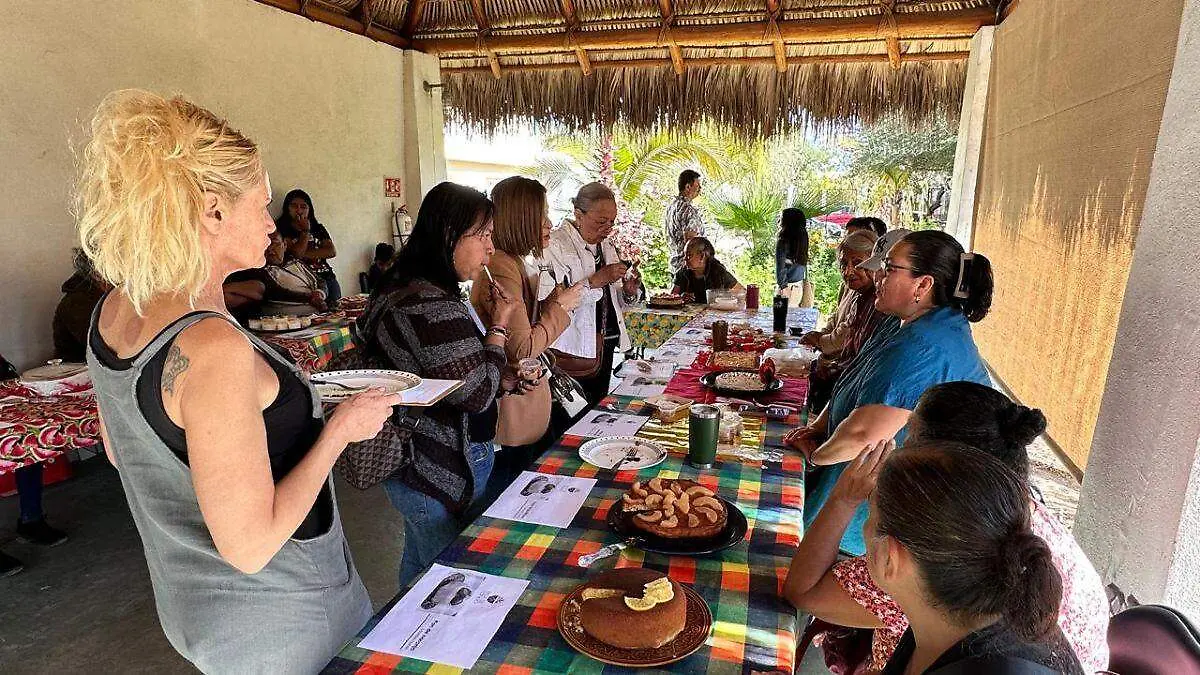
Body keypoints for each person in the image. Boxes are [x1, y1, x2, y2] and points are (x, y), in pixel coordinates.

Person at [77, 89, 398, 672]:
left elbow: (128, 451)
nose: (272, 224)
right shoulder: (210, 347)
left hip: (194, 610)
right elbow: (249, 546)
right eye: (262, 203)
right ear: (212, 210)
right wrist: (339, 431)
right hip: (283, 622)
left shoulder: (115, 308)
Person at [783, 382, 1110, 673]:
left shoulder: (930, 569)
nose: (899, 443)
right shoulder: (1007, 528)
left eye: (908, 439)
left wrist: (842, 498)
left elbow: (803, 591)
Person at [356, 181, 532, 588]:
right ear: (449, 235)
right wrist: (500, 326)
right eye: (483, 236)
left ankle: (400, 640)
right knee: (448, 580)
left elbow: (454, 374)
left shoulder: (412, 286)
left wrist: (500, 375)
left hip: (421, 466)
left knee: (420, 568)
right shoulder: (427, 303)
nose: (491, 248)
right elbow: (475, 393)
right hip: (432, 467)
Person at [786, 230, 993, 555]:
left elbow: (862, 436)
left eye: (889, 268)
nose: (877, 275)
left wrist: (812, 457)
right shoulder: (901, 321)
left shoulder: (926, 347)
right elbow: (854, 380)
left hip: (897, 514)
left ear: (923, 285)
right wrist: (818, 427)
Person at [865, 442, 1085, 674]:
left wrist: (842, 499)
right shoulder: (996, 611)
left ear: (890, 558)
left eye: (870, 515)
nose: (865, 527)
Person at [470, 176, 584, 490]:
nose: (549, 223)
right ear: (522, 219)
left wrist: (551, 303)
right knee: (509, 490)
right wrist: (560, 308)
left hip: (517, 397)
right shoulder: (503, 268)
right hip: (510, 402)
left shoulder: (514, 262)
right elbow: (522, 348)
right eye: (542, 214)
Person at [544, 182, 638, 409]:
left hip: (604, 343)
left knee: (597, 409)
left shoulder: (606, 246)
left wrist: (628, 292)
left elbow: (617, 301)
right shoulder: (555, 245)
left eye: (612, 222)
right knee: (570, 413)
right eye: (601, 222)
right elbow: (556, 303)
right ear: (578, 214)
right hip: (571, 347)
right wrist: (596, 280)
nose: (608, 228)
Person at [800, 230, 883, 412]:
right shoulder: (859, 295)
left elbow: (860, 360)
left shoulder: (880, 305)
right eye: (844, 264)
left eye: (858, 263)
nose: (848, 271)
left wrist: (833, 366)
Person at [275, 188, 342, 303]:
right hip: (302, 280)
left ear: (309, 209)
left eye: (303, 207)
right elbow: (296, 254)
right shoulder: (282, 228)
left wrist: (302, 254)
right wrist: (305, 232)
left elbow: (331, 251)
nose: (299, 210)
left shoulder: (318, 228)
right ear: (287, 208)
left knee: (336, 312)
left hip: (326, 276)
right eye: (294, 206)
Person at [53, 249, 111, 362]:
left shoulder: (102, 294)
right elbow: (101, 346)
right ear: (97, 273)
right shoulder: (76, 302)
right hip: (78, 371)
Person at [263, 230, 327, 316]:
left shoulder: (295, 261)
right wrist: (311, 297)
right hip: (292, 316)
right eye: (265, 245)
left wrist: (320, 293)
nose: (270, 249)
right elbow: (276, 293)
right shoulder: (262, 270)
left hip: (317, 310)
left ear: (285, 245)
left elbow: (320, 281)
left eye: (274, 244)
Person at [670, 236, 742, 301]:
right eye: (684, 255)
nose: (685, 259)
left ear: (702, 256)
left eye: (689, 255)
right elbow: (671, 297)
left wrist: (726, 298)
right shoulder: (682, 273)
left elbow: (743, 294)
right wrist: (680, 298)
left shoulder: (719, 272)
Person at [664, 169, 705, 272]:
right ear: (688, 187)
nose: (700, 189)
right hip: (689, 271)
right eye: (698, 186)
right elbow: (691, 242)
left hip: (675, 268)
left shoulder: (671, 208)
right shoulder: (688, 210)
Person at [775, 207, 809, 292]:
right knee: (795, 305)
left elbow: (780, 267)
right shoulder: (802, 240)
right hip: (799, 287)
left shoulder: (783, 241)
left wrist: (782, 287)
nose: (779, 221)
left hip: (786, 287)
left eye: (781, 218)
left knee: (780, 306)